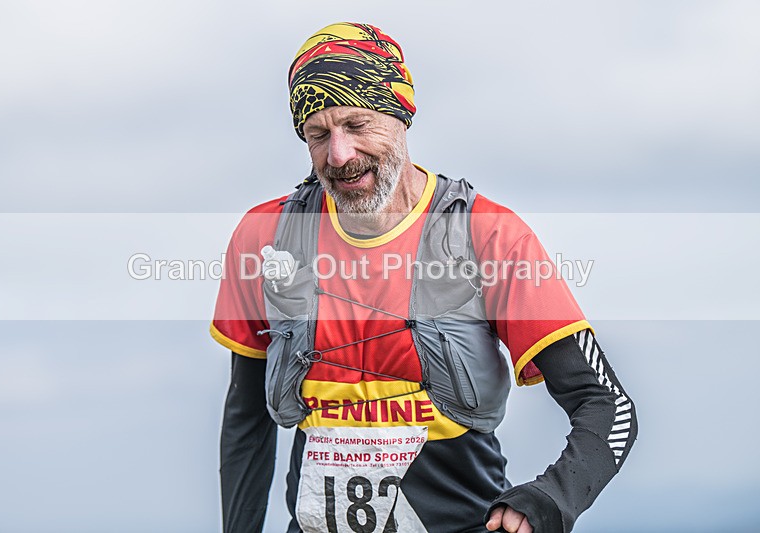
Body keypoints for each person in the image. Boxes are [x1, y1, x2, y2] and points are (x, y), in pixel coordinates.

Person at [211, 22, 636, 533]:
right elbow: (246, 420)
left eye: (357, 125)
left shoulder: (487, 235)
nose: (339, 155)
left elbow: (607, 405)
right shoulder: (267, 236)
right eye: (319, 135)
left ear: (401, 116)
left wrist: (551, 498)